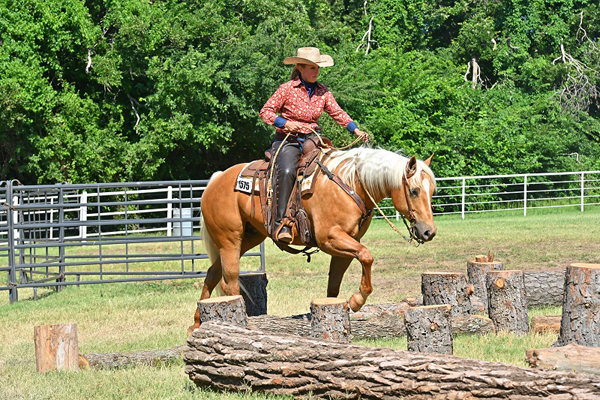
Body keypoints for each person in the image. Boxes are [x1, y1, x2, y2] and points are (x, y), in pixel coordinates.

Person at [260, 47, 369, 243]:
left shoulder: (323, 91)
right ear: (300, 67)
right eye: (311, 67)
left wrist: (355, 130)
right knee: (286, 171)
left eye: (317, 67)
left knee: (330, 171)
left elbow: (338, 113)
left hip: (313, 139)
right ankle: (282, 222)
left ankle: (324, 219)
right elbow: (265, 112)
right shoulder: (286, 89)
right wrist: (284, 123)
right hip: (288, 140)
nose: (315, 71)